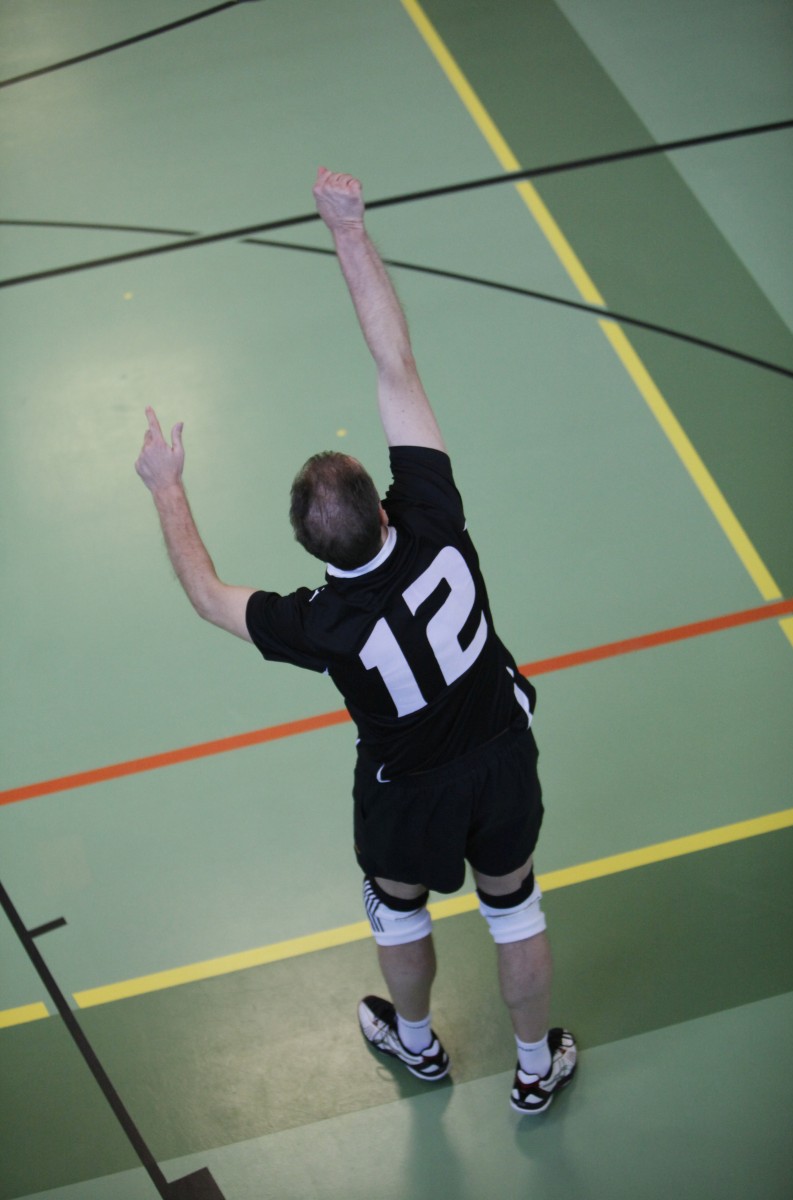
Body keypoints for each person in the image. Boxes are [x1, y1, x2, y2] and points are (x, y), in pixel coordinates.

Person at [135, 167, 576, 1115]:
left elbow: (208, 597)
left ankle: (418, 1046)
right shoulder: (434, 516)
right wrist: (346, 230)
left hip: (405, 793)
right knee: (515, 910)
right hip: (501, 752)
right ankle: (535, 1066)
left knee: (399, 909)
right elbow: (395, 365)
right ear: (384, 504)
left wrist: (167, 487)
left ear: (309, 548)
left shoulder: (320, 624)